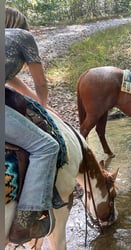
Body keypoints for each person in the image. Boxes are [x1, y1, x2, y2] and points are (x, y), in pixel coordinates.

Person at [5, 27, 60, 244]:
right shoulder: (23, 36)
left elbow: (14, 83)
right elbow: (41, 83)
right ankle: (24, 223)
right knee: (47, 146)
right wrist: (45, 110)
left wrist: (38, 104)